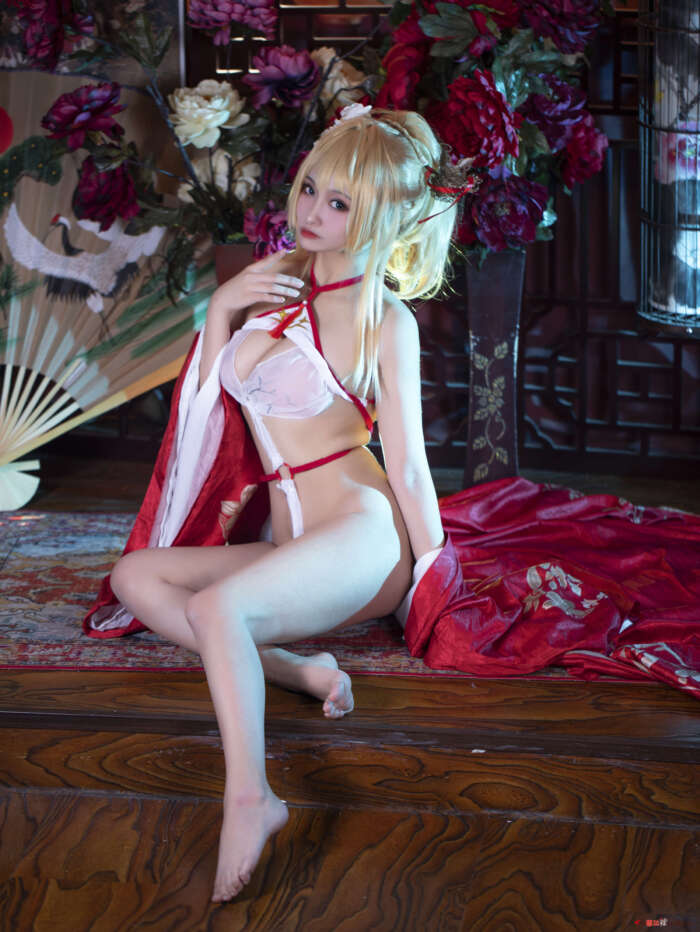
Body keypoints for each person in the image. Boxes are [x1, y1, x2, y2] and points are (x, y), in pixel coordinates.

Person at [103, 105, 462, 903]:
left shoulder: (386, 320)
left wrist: (435, 572)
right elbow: (204, 411)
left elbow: (408, 466)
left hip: (361, 537)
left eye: (339, 203)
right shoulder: (273, 288)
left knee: (217, 608)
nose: (311, 212)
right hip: (295, 543)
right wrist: (223, 307)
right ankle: (298, 670)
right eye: (309, 189)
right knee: (136, 579)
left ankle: (251, 797)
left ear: (382, 218)